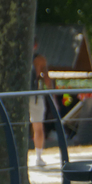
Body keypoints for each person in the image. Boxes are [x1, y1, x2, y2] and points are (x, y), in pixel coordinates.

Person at [30, 38, 54, 167]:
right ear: (36, 45)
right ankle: (38, 157)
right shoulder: (40, 59)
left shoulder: (17, 58)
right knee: (38, 127)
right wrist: (52, 95)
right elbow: (47, 79)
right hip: (35, 95)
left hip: (19, 95)